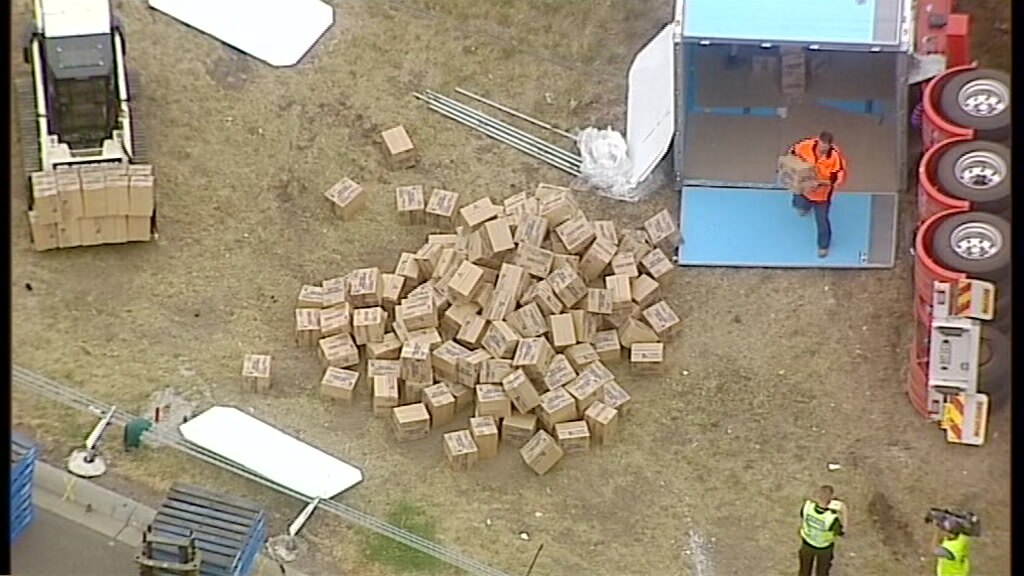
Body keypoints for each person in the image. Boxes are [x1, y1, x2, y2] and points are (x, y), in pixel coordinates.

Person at [788, 131, 848, 258]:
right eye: (820, 145)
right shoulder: (805, 145)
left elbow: (836, 180)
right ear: (818, 141)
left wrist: (818, 183)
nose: (821, 149)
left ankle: (823, 246)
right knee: (798, 201)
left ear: (830, 145)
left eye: (825, 147)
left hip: (822, 196)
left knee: (822, 221)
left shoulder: (835, 159)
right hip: (803, 187)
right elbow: (792, 153)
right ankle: (803, 207)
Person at [798, 485, 844, 576]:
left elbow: (802, 515)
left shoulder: (807, 507)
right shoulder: (831, 518)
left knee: (804, 570)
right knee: (822, 572)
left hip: (807, 543)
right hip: (824, 547)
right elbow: (841, 531)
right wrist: (843, 512)